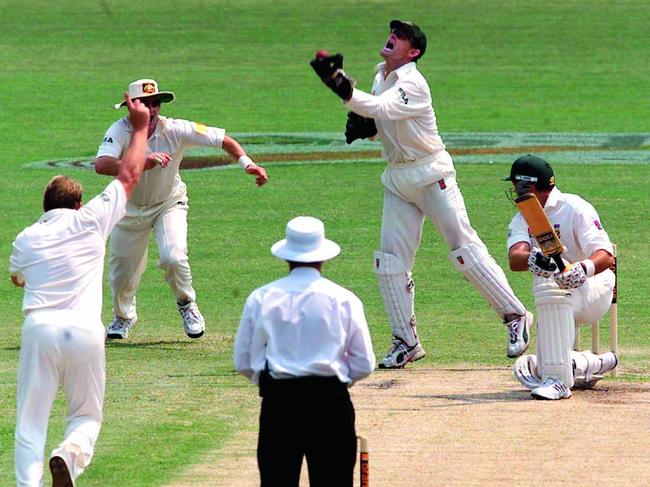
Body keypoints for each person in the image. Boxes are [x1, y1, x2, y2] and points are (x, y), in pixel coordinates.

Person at [310, 20, 532, 368]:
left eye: (401, 37)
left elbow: (382, 109)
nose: (392, 37)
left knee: (464, 251)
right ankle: (406, 341)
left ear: (412, 52)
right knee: (389, 262)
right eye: (392, 32)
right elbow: (383, 120)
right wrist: (366, 129)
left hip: (431, 174)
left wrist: (338, 84)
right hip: (398, 177)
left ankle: (516, 316)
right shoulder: (382, 74)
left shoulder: (413, 82)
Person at [10, 95, 150, 486]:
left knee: (31, 420)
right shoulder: (91, 220)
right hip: (86, 330)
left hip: (40, 328)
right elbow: (129, 176)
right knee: (87, 416)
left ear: (44, 204)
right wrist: (139, 128)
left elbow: (17, 277)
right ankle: (67, 457)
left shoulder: (26, 238)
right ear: (79, 203)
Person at [94, 79, 269, 340]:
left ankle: (187, 304)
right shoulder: (119, 130)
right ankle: (123, 317)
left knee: (173, 257)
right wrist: (143, 163)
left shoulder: (175, 129)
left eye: (155, 104)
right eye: (144, 104)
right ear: (131, 106)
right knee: (121, 275)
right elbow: (102, 164)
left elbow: (223, 140)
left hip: (168, 203)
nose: (151, 110)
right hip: (127, 209)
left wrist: (247, 164)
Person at [234, 216, 375, 487]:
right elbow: (364, 363)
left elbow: (243, 361)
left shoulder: (262, 297)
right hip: (330, 404)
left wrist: (273, 383)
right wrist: (334, 383)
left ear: (287, 257)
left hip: (280, 404)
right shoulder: (344, 299)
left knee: (278, 480)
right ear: (323, 257)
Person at [504, 154, 618, 400]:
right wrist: (533, 259)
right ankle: (591, 363)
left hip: (595, 287)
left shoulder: (574, 207)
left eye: (517, 185)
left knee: (550, 279)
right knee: (528, 369)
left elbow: (607, 256)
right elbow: (515, 259)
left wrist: (582, 269)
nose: (514, 191)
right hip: (557, 295)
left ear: (529, 185)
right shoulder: (522, 217)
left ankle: (558, 381)